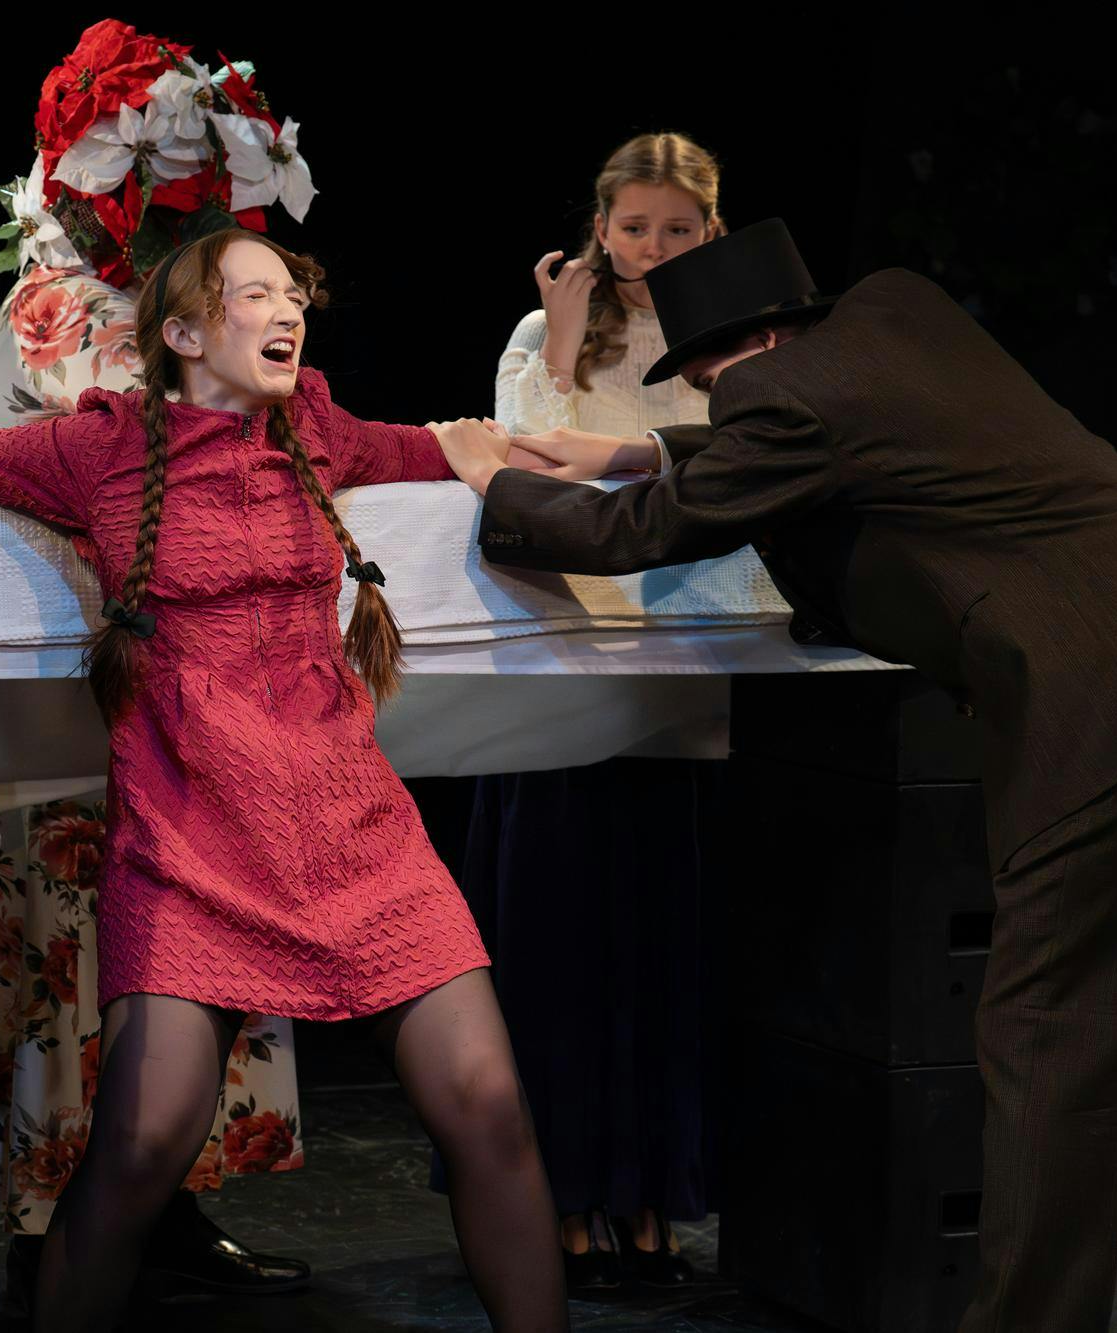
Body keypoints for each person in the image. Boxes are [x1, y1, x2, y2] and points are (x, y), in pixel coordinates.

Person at [444, 218, 1117, 1333]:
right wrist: (633, 448)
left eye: (704, 376)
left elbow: (647, 534)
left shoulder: (785, 397)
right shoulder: (901, 307)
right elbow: (816, 437)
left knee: (1045, 1030)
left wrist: (495, 486)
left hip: (1090, 697)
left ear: (758, 342)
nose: (701, 400)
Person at [0, 226, 568, 1332]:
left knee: (488, 1107)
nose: (287, 311)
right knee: (142, 1144)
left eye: (292, 294)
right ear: (185, 333)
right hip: (192, 839)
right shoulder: (100, 447)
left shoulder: (317, 429)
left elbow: (440, 447)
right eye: (255, 296)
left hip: (353, 830)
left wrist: (606, 454)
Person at [0, 21, 313, 1309]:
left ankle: (174, 1204)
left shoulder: (188, 310)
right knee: (83, 932)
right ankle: (55, 1228)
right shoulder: (61, 303)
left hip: (188, 675)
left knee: (199, 937)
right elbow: (134, 452)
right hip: (81, 667)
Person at [466, 130, 723, 1289]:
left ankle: (652, 1198)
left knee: (662, 946)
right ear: (599, 225)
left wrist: (614, 448)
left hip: (683, 673)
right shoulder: (542, 333)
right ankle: (563, 1200)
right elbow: (514, 469)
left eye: (677, 230)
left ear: (712, 233)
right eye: (633, 228)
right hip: (563, 663)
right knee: (556, 944)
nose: (651, 248)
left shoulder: (725, 344)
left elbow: (737, 464)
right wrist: (563, 347)